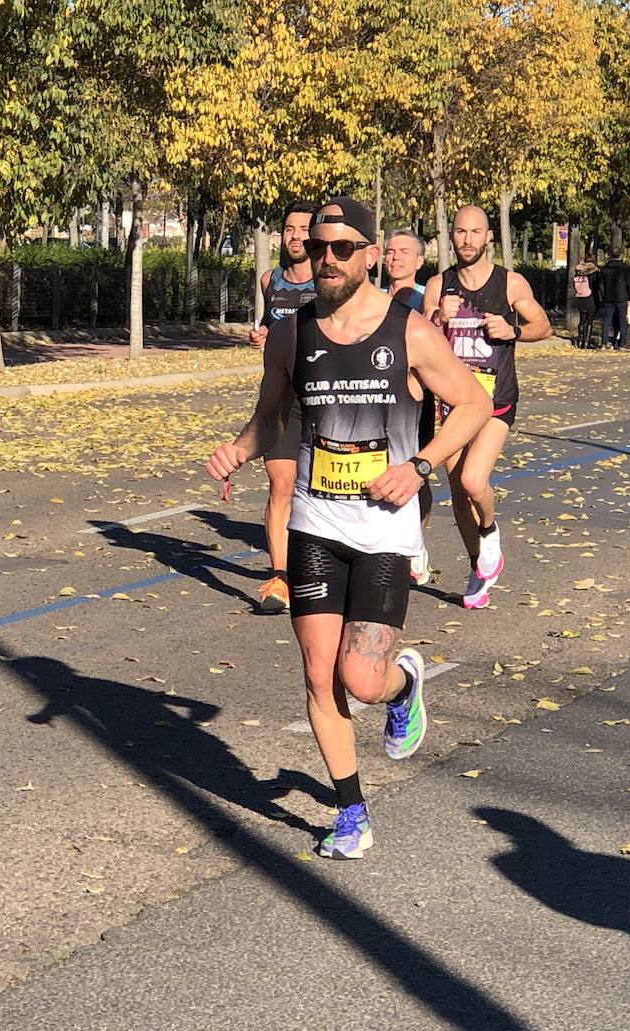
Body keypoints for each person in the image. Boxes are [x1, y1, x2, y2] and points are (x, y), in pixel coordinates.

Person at [207, 197, 491, 860]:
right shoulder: (291, 333)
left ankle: (404, 685)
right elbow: (271, 414)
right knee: (317, 675)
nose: (325, 258)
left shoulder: (410, 331)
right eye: (318, 246)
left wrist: (421, 465)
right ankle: (350, 810)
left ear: (368, 254)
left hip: (386, 529)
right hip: (314, 522)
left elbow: (473, 404)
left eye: (341, 248)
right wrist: (239, 449)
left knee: (361, 679)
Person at [422, 205, 551, 610]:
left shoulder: (510, 284)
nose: (466, 240)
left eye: (475, 232)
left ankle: (491, 532)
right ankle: (479, 565)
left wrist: (512, 330)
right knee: (457, 491)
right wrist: (438, 319)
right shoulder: (437, 285)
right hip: (453, 403)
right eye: (460, 232)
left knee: (474, 481)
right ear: (451, 236)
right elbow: (421, 337)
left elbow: (542, 326)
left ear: (488, 237)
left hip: (496, 399)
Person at [244, 200, 320, 614]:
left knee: (325, 488)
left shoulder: (330, 280)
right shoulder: (269, 280)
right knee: (281, 485)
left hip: (327, 400)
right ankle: (280, 578)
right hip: (282, 400)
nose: (294, 237)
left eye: (303, 229)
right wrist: (262, 338)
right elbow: (271, 329)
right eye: (289, 229)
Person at [384, 229, 435, 585]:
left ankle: (414, 542)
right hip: (377, 399)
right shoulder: (369, 298)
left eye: (404, 251)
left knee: (417, 468)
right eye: (389, 251)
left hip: (417, 399)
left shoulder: (424, 300)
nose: (395, 257)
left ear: (419, 261)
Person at [596, 247, 630, 350]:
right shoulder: (625, 268)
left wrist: (602, 297)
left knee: (606, 321)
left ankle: (604, 343)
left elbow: (601, 284)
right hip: (622, 297)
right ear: (620, 255)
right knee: (622, 321)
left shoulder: (604, 269)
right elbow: (629, 284)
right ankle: (622, 343)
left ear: (609, 255)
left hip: (608, 298)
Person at [572, 257, 599, 349]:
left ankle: (580, 340)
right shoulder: (593, 272)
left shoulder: (579, 270)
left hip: (580, 297)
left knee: (582, 319)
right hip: (590, 298)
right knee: (590, 320)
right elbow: (596, 285)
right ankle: (587, 341)